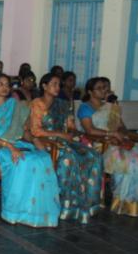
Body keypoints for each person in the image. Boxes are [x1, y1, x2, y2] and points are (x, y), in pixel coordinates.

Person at [0, 72, 60, 227]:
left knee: (43, 157)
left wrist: (35, 140)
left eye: (7, 85)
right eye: (0, 84)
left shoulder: (16, 105)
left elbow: (24, 131)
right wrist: (9, 146)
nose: (4, 87)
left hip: (14, 142)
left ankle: (34, 210)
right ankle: (14, 211)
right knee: (21, 160)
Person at [29, 73, 103, 224]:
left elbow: (71, 127)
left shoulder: (63, 104)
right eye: (54, 84)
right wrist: (60, 134)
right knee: (69, 158)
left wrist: (76, 134)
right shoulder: (37, 104)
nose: (57, 88)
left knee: (94, 156)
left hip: (65, 140)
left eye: (59, 85)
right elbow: (35, 131)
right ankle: (66, 205)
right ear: (44, 86)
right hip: (46, 142)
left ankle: (87, 205)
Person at [77, 77, 138, 217]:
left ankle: (136, 204)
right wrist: (111, 134)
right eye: (99, 88)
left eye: (105, 88)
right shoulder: (85, 108)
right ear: (90, 92)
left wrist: (124, 137)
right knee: (129, 164)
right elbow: (90, 130)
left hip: (116, 142)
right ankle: (123, 203)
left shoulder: (111, 107)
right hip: (98, 144)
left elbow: (122, 127)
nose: (103, 91)